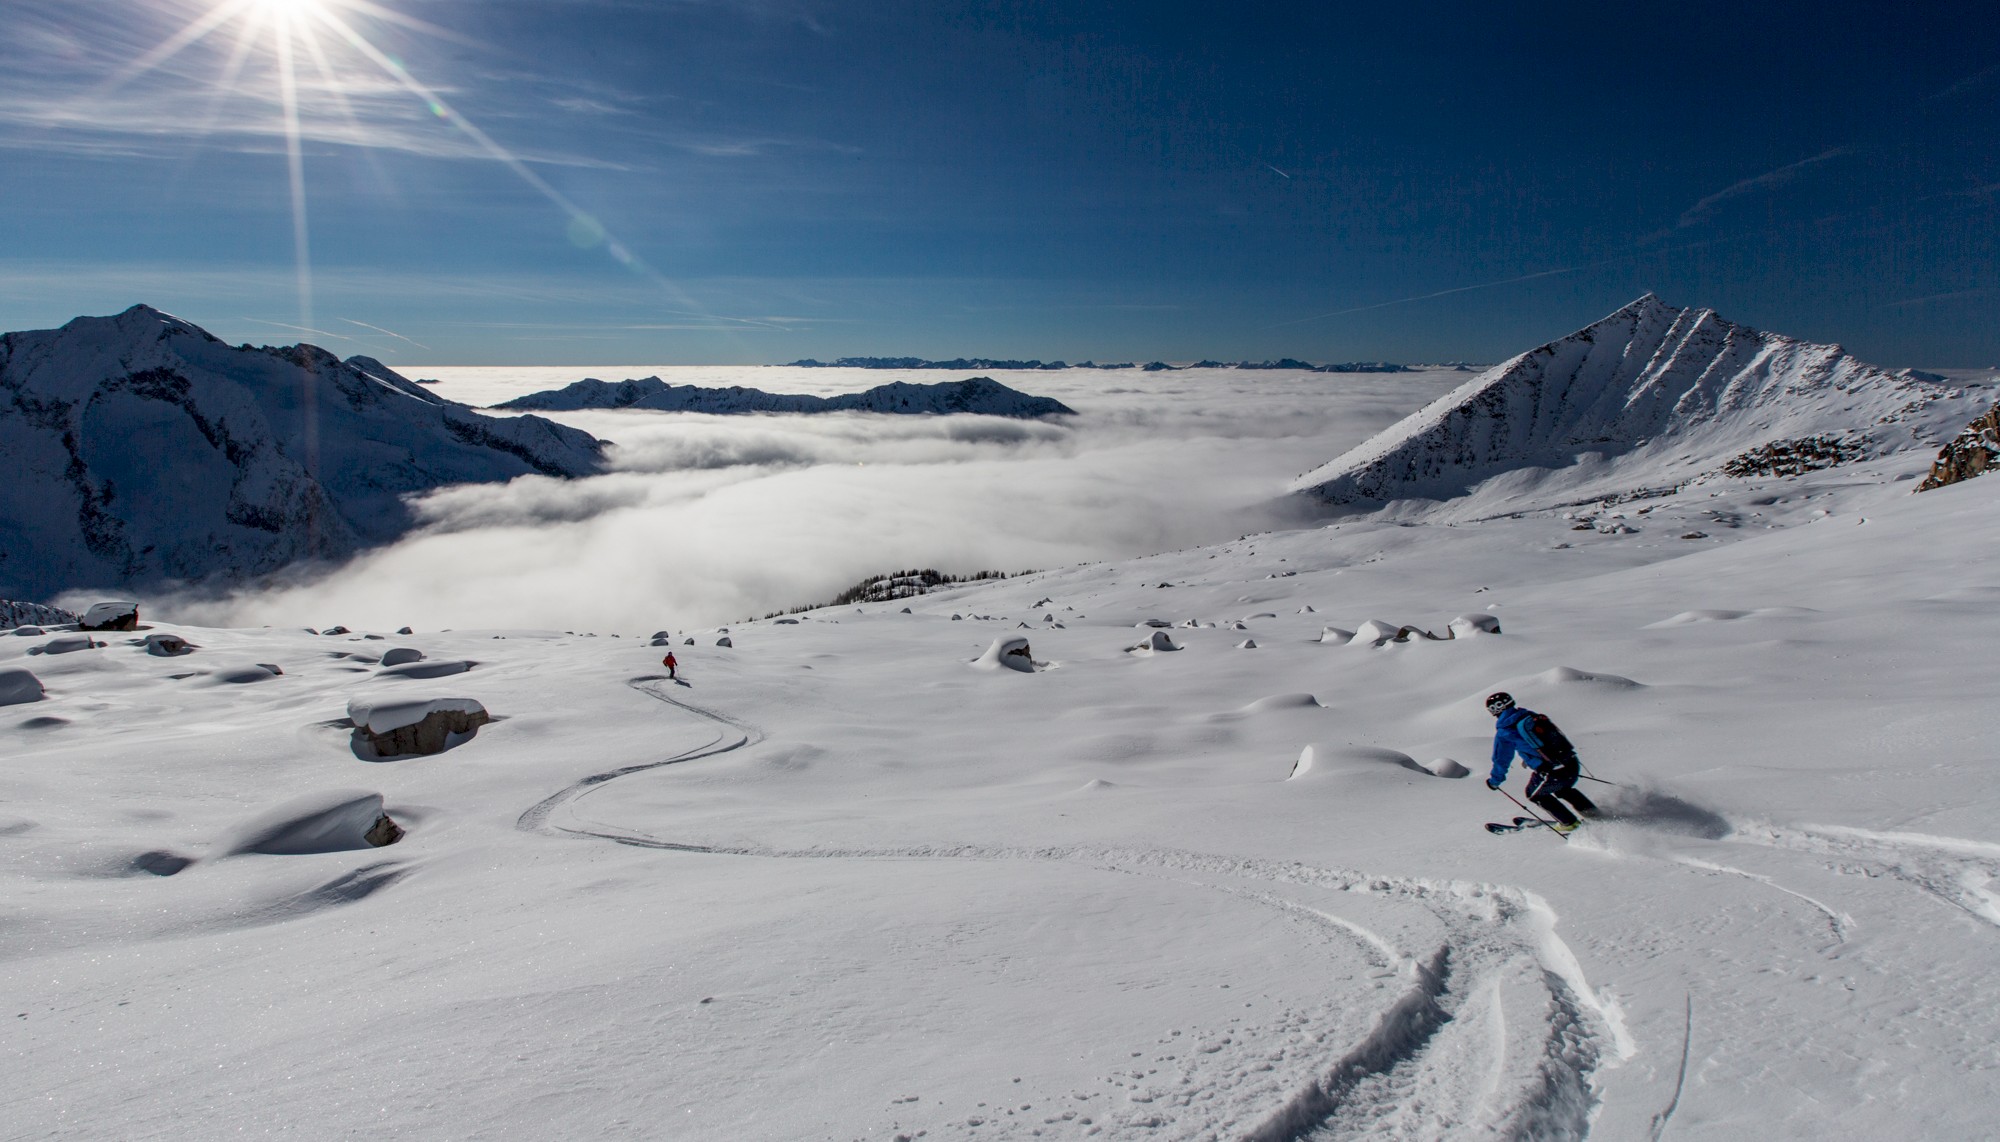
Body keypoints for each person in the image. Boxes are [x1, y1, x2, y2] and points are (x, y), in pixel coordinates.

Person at [1485, 692, 1598, 833]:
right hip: (1570, 763)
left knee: (1535, 795)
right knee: (1563, 789)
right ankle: (1596, 816)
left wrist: (1495, 781)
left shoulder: (1505, 731)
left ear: (1493, 711)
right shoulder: (1530, 716)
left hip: (1551, 770)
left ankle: (1569, 823)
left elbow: (1501, 759)